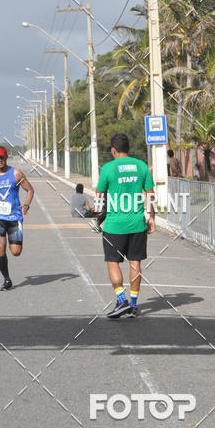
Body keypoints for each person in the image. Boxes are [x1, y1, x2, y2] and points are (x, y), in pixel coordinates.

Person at [96, 132, 155, 319]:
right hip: (137, 224)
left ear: (114, 150)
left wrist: (98, 217)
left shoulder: (108, 168)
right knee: (135, 262)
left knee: (113, 262)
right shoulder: (141, 166)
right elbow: (150, 194)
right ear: (128, 149)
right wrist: (152, 218)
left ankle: (122, 301)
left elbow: (99, 194)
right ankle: (134, 305)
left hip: (114, 225)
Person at [0, 146, 35, 290]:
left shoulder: (16, 174)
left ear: (6, 157)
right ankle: (6, 279)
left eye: (2, 157)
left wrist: (26, 205)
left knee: (16, 252)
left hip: (15, 217)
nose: (0, 160)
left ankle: (8, 271)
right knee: (0, 247)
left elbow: (30, 189)